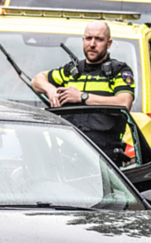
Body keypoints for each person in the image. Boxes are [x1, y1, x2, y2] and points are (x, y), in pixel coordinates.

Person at [31, 21, 135, 165]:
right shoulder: (70, 71)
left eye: (99, 39)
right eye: (88, 38)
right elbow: (36, 81)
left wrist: (82, 96)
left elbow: (124, 103)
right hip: (69, 159)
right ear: (83, 40)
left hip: (105, 160)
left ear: (109, 43)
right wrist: (51, 90)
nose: (92, 44)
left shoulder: (119, 71)